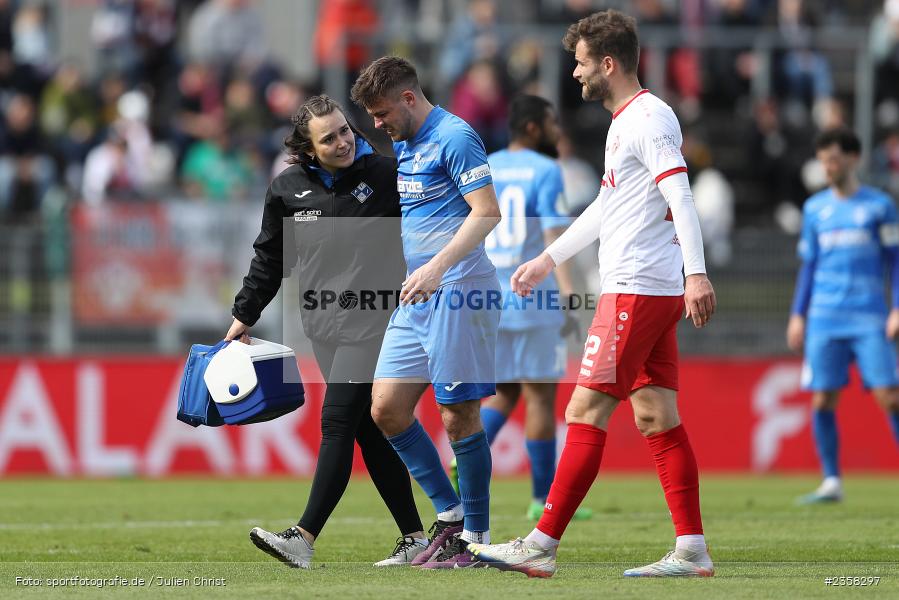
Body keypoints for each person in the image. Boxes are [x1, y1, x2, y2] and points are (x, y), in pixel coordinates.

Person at [467, 9, 717, 578]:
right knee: (655, 415)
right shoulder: (626, 121)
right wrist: (547, 259)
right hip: (644, 288)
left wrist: (696, 274)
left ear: (608, 63)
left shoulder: (648, 118)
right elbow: (608, 206)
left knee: (583, 410)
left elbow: (681, 195)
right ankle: (691, 549)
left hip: (636, 288)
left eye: (580, 63)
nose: (575, 73)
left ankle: (540, 544)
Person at [226, 95, 427, 569]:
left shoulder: (388, 175)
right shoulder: (287, 190)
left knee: (336, 422)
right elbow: (270, 259)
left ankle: (303, 537)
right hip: (322, 326)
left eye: (345, 131)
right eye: (328, 138)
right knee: (369, 434)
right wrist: (243, 316)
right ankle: (416, 538)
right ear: (307, 149)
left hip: (374, 322)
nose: (342, 142)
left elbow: (428, 228)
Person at [350, 56, 502, 568]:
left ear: (409, 98)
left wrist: (437, 267)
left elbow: (487, 212)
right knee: (386, 408)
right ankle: (451, 515)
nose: (378, 124)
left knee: (458, 416)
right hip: (418, 294)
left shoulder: (455, 137)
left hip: (458, 289)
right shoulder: (405, 142)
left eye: (382, 112)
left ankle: (475, 540)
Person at [450, 94, 591, 522]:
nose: (557, 132)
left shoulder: (487, 165)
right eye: (551, 123)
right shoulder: (547, 170)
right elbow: (553, 235)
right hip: (534, 298)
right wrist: (570, 296)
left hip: (490, 299)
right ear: (533, 127)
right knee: (541, 398)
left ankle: (463, 456)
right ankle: (542, 499)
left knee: (507, 390)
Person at [786, 128, 899, 504]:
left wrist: (897, 307)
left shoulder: (880, 206)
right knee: (822, 399)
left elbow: (895, 261)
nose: (828, 167)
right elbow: (809, 266)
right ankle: (831, 481)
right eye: (823, 161)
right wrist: (798, 315)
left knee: (890, 397)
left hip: (869, 317)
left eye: (834, 159)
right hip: (824, 318)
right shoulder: (814, 209)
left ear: (854, 158)